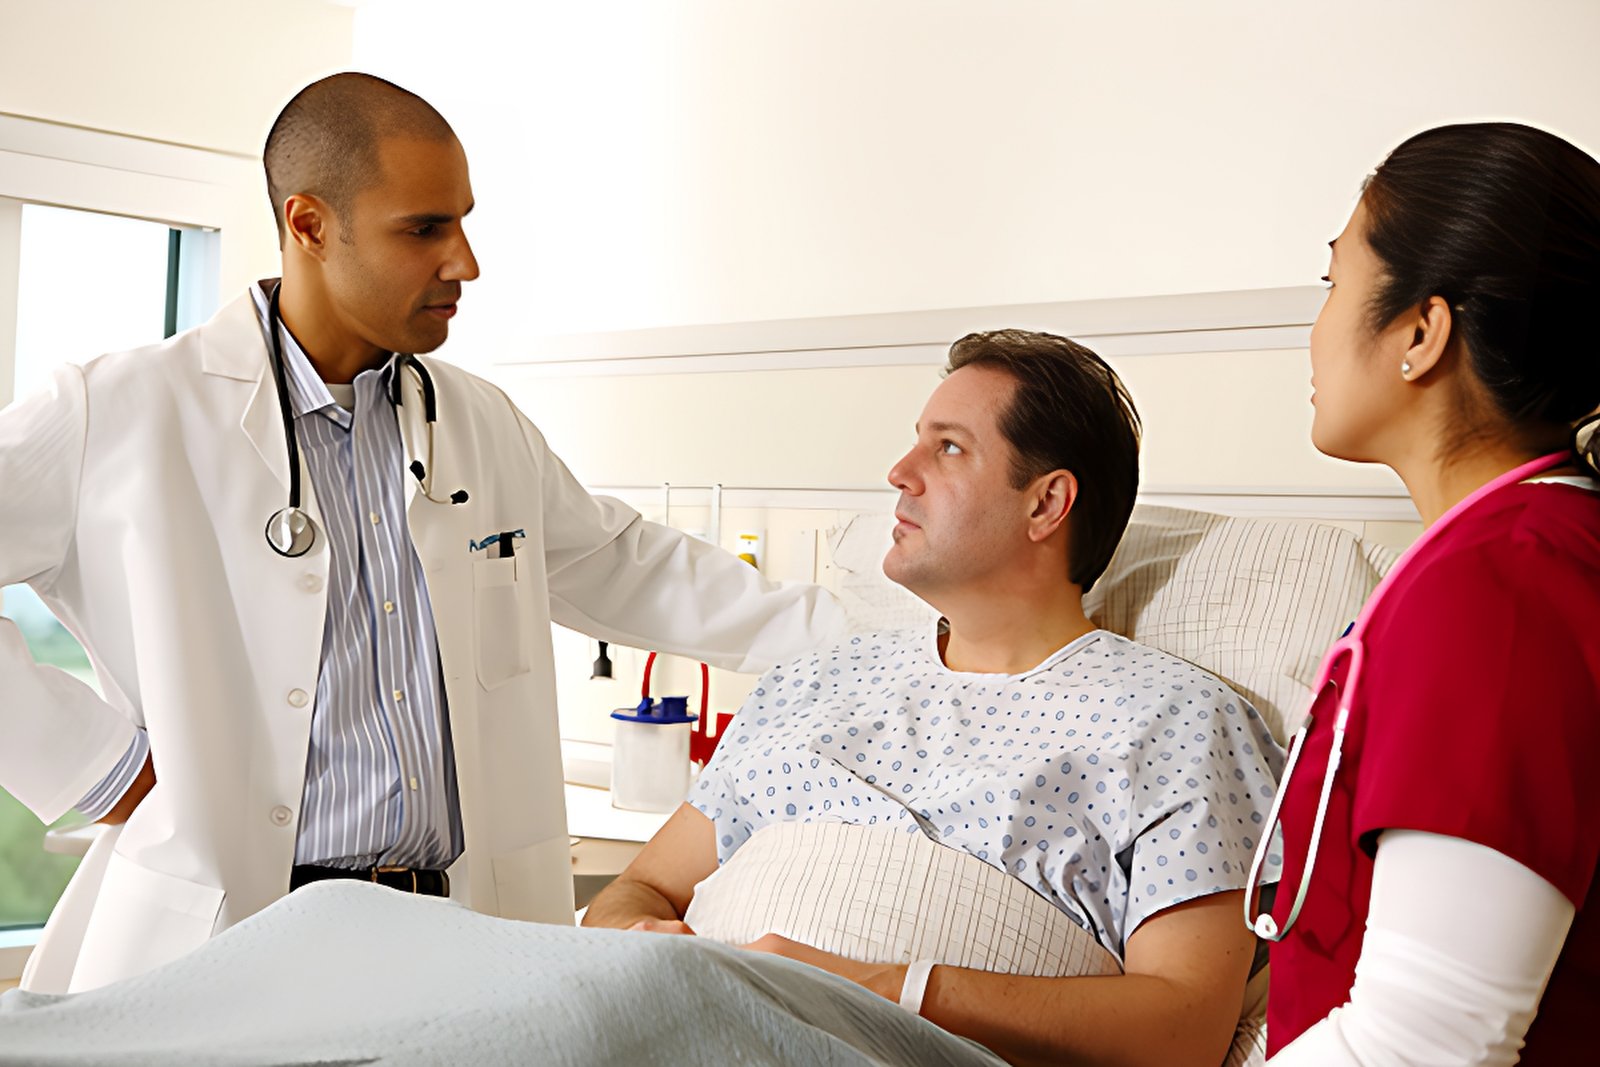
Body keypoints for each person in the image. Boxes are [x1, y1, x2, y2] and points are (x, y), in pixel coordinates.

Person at [0, 72, 841, 994]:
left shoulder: (478, 421)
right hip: (234, 938)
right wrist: (95, 764)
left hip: (455, 938)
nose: (464, 262)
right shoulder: (119, 410)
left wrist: (887, 644)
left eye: (463, 223)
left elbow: (629, 567)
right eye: (424, 229)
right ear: (310, 224)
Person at [584, 329, 1286, 1067]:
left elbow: (1182, 1028)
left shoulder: (1177, 720)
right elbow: (641, 886)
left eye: (948, 447)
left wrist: (877, 989)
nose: (900, 472)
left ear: (1047, 503)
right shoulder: (812, 682)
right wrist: (642, 942)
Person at [1253, 123, 1600, 1064]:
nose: (1316, 328)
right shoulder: (1515, 551)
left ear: (1420, 331)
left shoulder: (1501, 589)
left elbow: (1427, 1043)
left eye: (1332, 282)